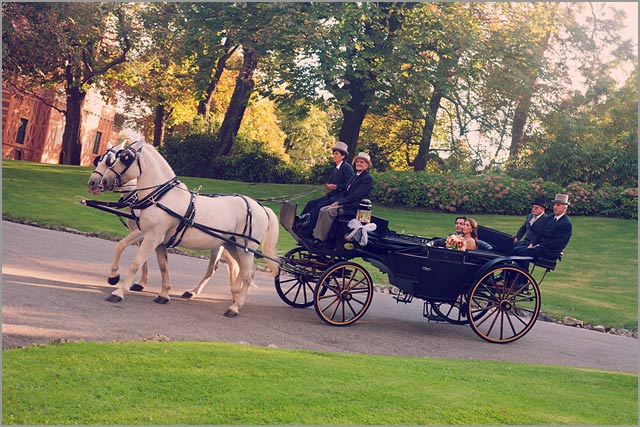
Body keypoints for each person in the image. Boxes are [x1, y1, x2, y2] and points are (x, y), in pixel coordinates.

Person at [312, 152, 374, 243]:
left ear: (367, 165)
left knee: (329, 212)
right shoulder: (355, 177)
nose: (359, 164)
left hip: (354, 208)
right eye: (357, 162)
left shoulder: (367, 178)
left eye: (362, 162)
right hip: (346, 204)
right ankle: (316, 235)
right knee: (323, 209)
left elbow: (356, 195)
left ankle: (321, 239)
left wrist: (339, 203)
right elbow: (346, 191)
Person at [296, 141, 354, 235]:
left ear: (343, 156)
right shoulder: (336, 168)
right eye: (334, 154)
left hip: (340, 197)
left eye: (336, 154)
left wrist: (336, 186)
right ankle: (300, 221)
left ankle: (307, 231)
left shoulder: (347, 168)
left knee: (319, 207)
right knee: (311, 203)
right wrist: (329, 185)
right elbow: (331, 182)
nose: (334, 156)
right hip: (332, 195)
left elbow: (350, 184)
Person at [512, 193, 573, 271]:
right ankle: (512, 276)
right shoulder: (550, 217)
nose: (555, 207)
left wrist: (539, 246)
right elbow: (539, 233)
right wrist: (532, 244)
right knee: (515, 249)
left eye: (558, 205)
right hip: (540, 247)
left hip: (550, 251)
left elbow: (557, 243)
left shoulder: (566, 224)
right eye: (554, 204)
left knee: (521, 252)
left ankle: (522, 279)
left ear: (564, 208)